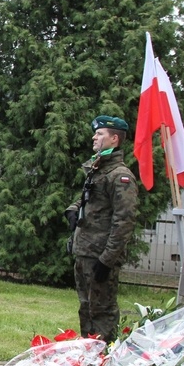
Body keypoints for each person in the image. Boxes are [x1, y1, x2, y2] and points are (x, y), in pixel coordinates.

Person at [64, 115, 138, 343]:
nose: (94, 137)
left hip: (100, 255)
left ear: (114, 139)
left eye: (100, 134)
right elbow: (87, 200)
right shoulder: (98, 169)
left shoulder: (120, 176)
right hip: (85, 250)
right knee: (86, 307)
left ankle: (102, 359)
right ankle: (88, 356)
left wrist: (107, 259)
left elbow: (124, 221)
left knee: (102, 311)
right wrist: (73, 209)